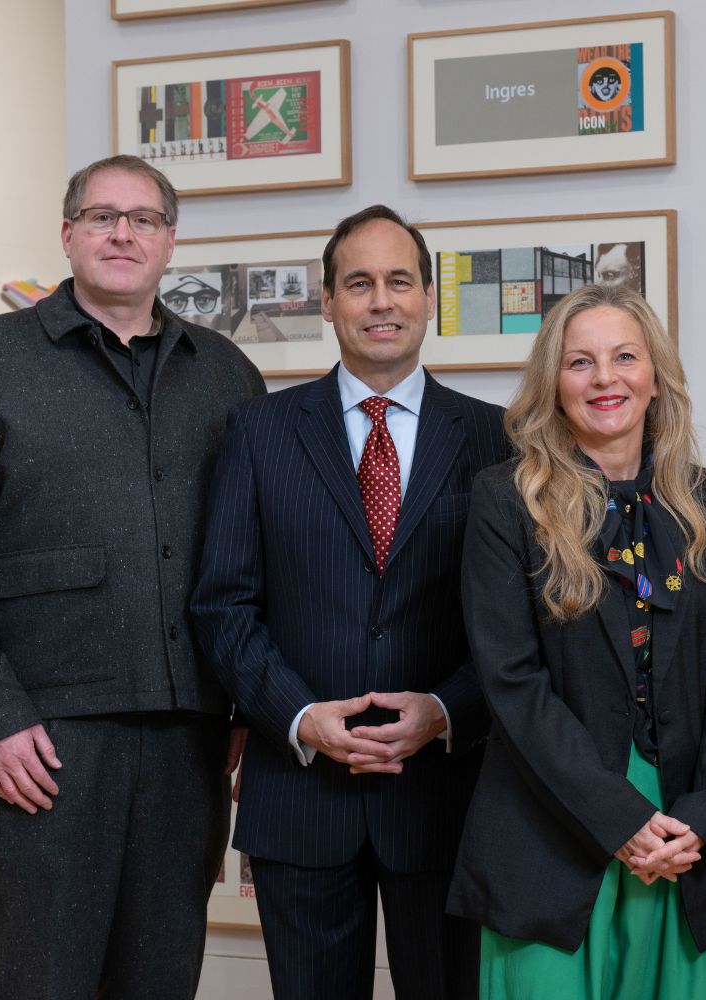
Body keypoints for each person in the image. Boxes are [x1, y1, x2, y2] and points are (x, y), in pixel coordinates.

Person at [0, 155, 266, 998]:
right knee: (40, 973)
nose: (121, 233)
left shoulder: (225, 375)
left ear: (170, 242)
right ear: (67, 234)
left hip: (190, 736)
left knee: (160, 973)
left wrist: (250, 698)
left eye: (143, 219)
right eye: (101, 216)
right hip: (42, 739)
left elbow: (256, 553)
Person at [190, 204, 510, 1000]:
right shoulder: (257, 431)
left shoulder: (499, 440)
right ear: (327, 301)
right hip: (301, 795)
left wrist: (443, 709)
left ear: (429, 296)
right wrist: (299, 717)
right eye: (358, 283)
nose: (381, 302)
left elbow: (523, 627)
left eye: (399, 281)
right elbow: (222, 605)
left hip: (446, 797)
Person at [447, 283, 706, 999]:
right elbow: (511, 683)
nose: (604, 379)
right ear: (552, 385)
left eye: (625, 357)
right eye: (579, 363)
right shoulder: (503, 499)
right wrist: (620, 819)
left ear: (655, 376)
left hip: (687, 836)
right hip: (550, 832)